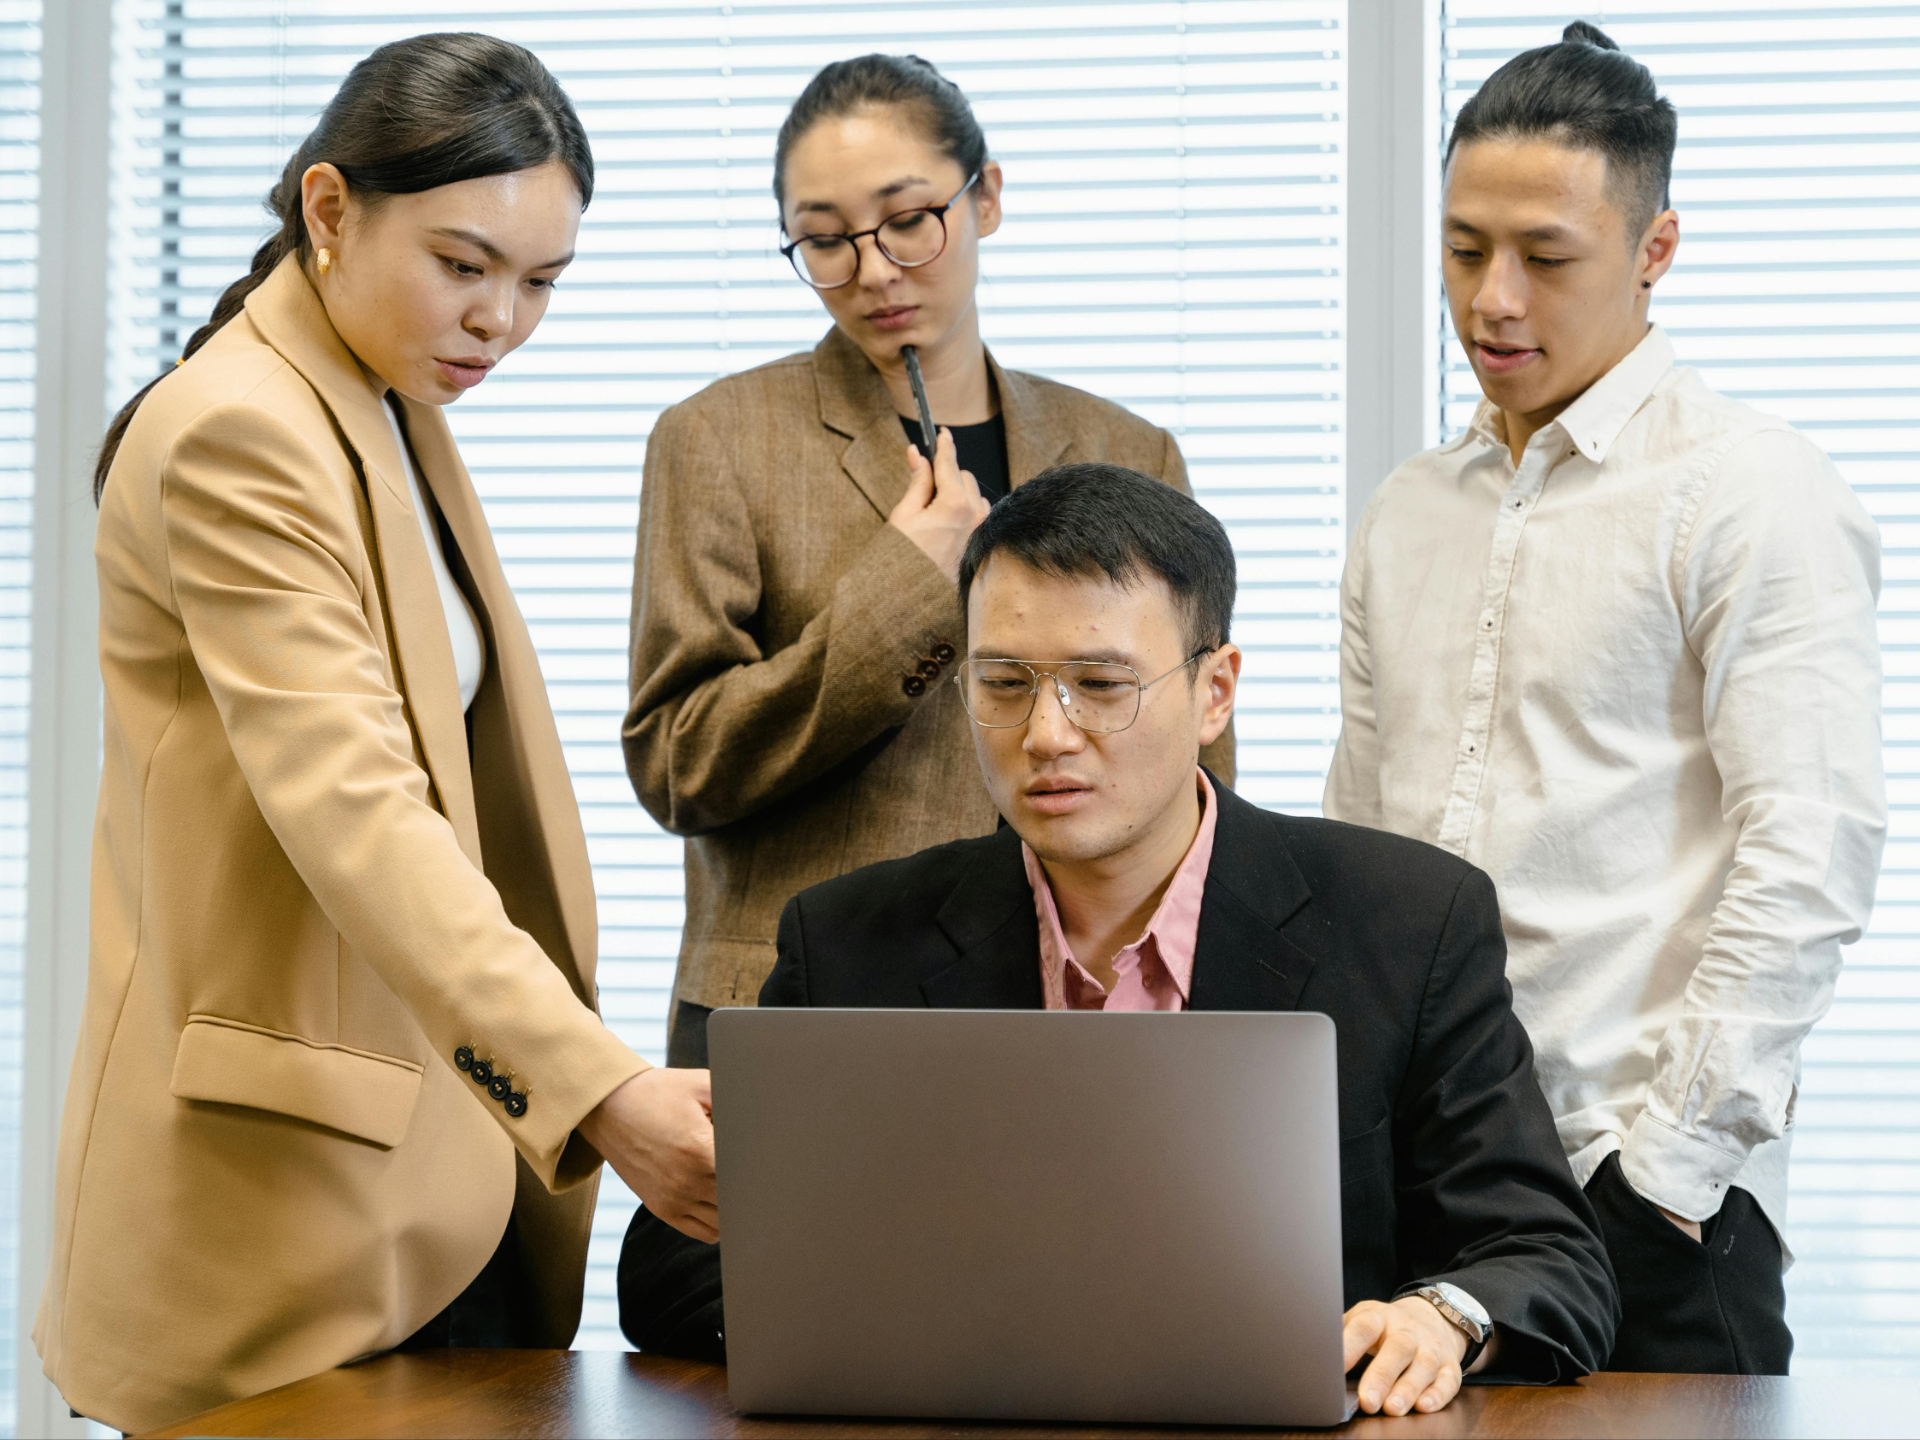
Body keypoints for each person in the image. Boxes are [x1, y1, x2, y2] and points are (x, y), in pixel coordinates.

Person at [36, 36, 716, 1435]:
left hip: (427, 1171)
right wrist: (599, 1089)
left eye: (542, 282)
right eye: (464, 265)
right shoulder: (241, 431)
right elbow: (358, 811)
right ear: (331, 210)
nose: (499, 321)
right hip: (283, 1206)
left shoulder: (384, 399)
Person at [620, 465, 1618, 1417]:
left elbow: (1546, 1259)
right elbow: (674, 1273)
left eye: (1101, 683)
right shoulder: (849, 940)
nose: (1046, 734)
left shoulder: (1409, 920)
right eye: (1004, 682)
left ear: (1215, 691)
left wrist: (1442, 1320)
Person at [1324, 22, 1885, 1376]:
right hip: (1424, 1202)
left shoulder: (1750, 489)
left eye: (1546, 256)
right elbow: (1358, 855)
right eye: (1464, 249)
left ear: (1655, 248)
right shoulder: (1406, 512)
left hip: (1642, 1203)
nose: (1493, 299)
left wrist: (1668, 1175)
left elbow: (1809, 854)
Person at [625, 54, 1233, 1068]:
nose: (872, 271)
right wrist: (906, 588)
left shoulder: (1128, 449)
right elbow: (680, 765)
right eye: (826, 241)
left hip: (1079, 998)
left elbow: (1194, 762)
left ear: (984, 196)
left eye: (909, 220)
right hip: (806, 1000)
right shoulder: (719, 438)